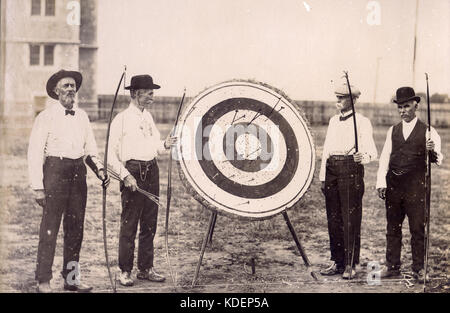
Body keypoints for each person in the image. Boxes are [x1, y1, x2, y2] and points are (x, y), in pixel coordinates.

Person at [28, 69, 108, 293]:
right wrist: (38, 187)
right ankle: (43, 280)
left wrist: (100, 170)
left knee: (75, 229)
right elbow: (35, 153)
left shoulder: (82, 116)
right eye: (66, 85)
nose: (71, 89)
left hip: (77, 174)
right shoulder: (45, 117)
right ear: (56, 91)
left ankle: (71, 279)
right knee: (50, 229)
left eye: (73, 85)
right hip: (54, 173)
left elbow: (90, 149)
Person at [108, 74, 177, 287]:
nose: (152, 97)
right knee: (129, 224)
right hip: (133, 173)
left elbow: (155, 145)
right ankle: (125, 271)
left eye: (152, 93)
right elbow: (110, 155)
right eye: (149, 93)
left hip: (151, 171)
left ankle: (146, 269)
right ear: (136, 94)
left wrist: (166, 144)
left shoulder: (148, 117)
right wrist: (126, 175)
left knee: (150, 224)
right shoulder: (120, 120)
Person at [376, 87, 443, 282]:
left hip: (416, 186)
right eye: (400, 107)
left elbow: (438, 160)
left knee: (417, 228)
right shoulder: (392, 130)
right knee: (392, 227)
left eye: (406, 106)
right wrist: (381, 182)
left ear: (416, 106)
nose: (403, 111)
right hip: (394, 185)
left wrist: (431, 150)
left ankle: (419, 269)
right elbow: (384, 158)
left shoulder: (429, 131)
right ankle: (392, 266)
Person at [319, 83, 378, 279]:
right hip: (331, 171)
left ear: (353, 100)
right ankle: (337, 261)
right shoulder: (333, 121)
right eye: (337, 97)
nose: (338, 101)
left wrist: (364, 157)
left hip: (350, 170)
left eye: (342, 97)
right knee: (333, 218)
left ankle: (351, 264)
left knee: (350, 219)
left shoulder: (362, 122)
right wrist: (322, 177)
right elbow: (327, 149)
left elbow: (372, 152)